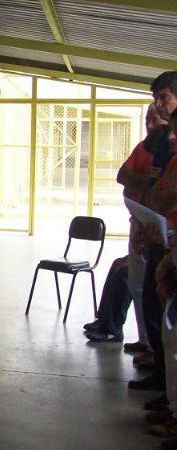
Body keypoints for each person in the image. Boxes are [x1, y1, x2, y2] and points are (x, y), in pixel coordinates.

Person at [128, 71, 177, 393]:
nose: (158, 106)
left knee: (168, 317)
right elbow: (155, 189)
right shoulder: (160, 140)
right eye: (155, 99)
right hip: (157, 234)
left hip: (171, 237)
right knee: (153, 308)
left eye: (164, 98)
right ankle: (162, 377)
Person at [110, 103, 167, 350]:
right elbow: (123, 177)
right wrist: (149, 182)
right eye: (147, 121)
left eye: (155, 121)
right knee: (136, 283)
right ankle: (146, 341)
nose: (151, 126)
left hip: (161, 231)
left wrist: (148, 184)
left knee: (156, 290)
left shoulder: (168, 153)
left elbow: (161, 192)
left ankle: (155, 350)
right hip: (139, 223)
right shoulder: (143, 148)